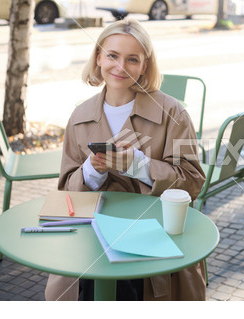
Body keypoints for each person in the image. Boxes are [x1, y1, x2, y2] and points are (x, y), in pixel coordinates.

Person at [45, 19, 206, 301]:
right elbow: (66, 192)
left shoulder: (173, 113)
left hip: (154, 246)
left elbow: (192, 183)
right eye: (112, 55)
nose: (120, 67)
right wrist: (92, 171)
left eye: (132, 59)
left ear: (144, 65)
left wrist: (138, 165)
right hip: (90, 243)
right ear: (98, 57)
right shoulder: (79, 117)